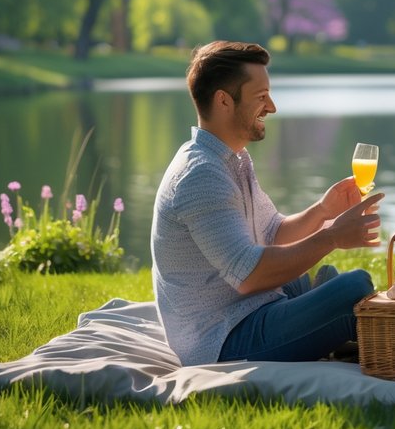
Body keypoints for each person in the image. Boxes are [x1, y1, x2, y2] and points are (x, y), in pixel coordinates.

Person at [151, 40, 382, 366]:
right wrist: (332, 237)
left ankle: (356, 336)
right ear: (223, 101)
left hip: (252, 308)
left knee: (321, 278)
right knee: (351, 288)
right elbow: (251, 276)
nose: (271, 107)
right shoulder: (200, 176)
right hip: (224, 339)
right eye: (261, 97)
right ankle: (384, 339)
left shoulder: (233, 159)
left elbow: (272, 233)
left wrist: (323, 211)